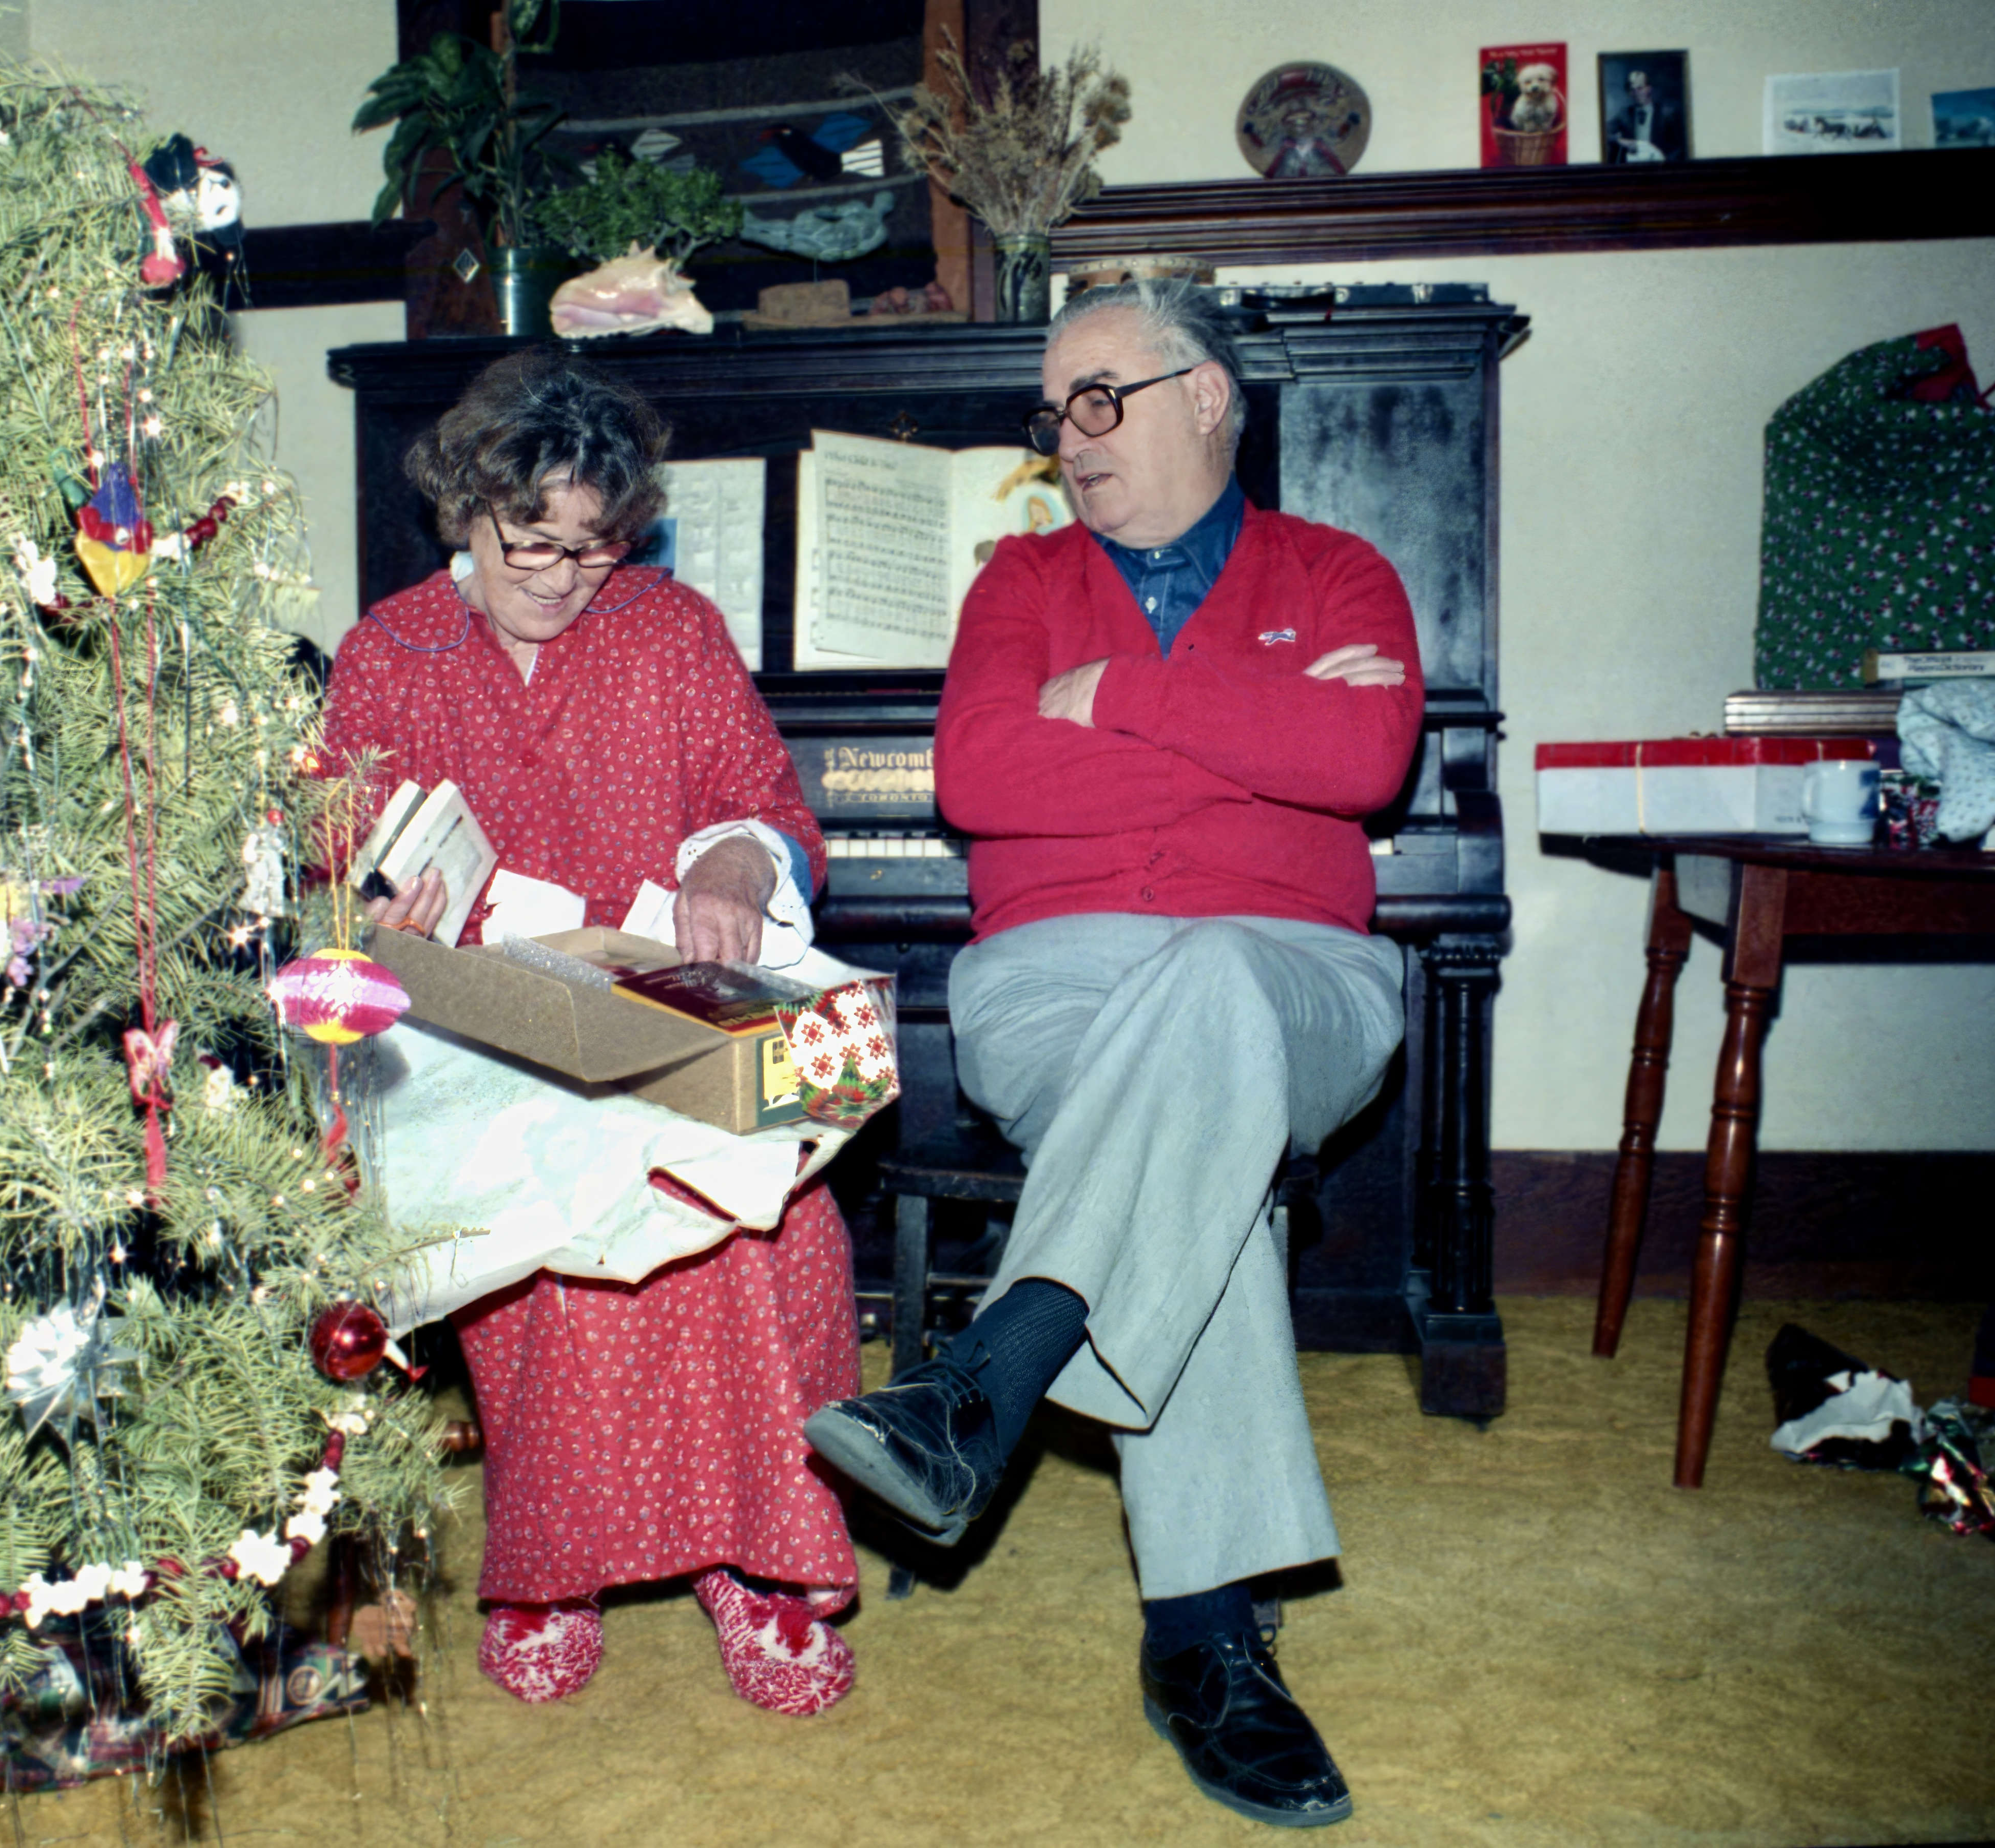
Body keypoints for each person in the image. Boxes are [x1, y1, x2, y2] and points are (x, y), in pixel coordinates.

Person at [805, 279, 1422, 1825]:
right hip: (1055, 985)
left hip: (1295, 977)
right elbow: (977, 777)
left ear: (1205, 396)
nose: (1067, 437)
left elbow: (1363, 757)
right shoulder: (1018, 581)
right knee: (1205, 1142)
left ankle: (991, 1374)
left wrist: (1121, 701)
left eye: (1100, 398)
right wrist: (1249, 737)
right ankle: (1203, 1643)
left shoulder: (1337, 571)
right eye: (1052, 411)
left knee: (1213, 982)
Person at [315, 347, 861, 1718]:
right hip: (468, 1020)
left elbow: (761, 800)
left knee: (761, 1174)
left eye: (594, 543)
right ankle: (551, 1562)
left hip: (653, 988)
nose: (563, 575)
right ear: (465, 512)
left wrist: (733, 864)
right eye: (532, 540)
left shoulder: (670, 628)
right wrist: (376, 907)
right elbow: (329, 869)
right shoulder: (389, 652)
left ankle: (758, 1556)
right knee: (551, 1178)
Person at [1605, 68, 1686, 162]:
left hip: (1659, 166)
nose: (1637, 93)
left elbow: (1679, 147)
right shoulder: (1624, 115)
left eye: (1640, 88)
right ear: (1629, 93)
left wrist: (1665, 164)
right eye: (1632, 90)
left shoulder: (1667, 114)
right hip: (1632, 166)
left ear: (1649, 89)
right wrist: (1620, 141)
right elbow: (1603, 132)